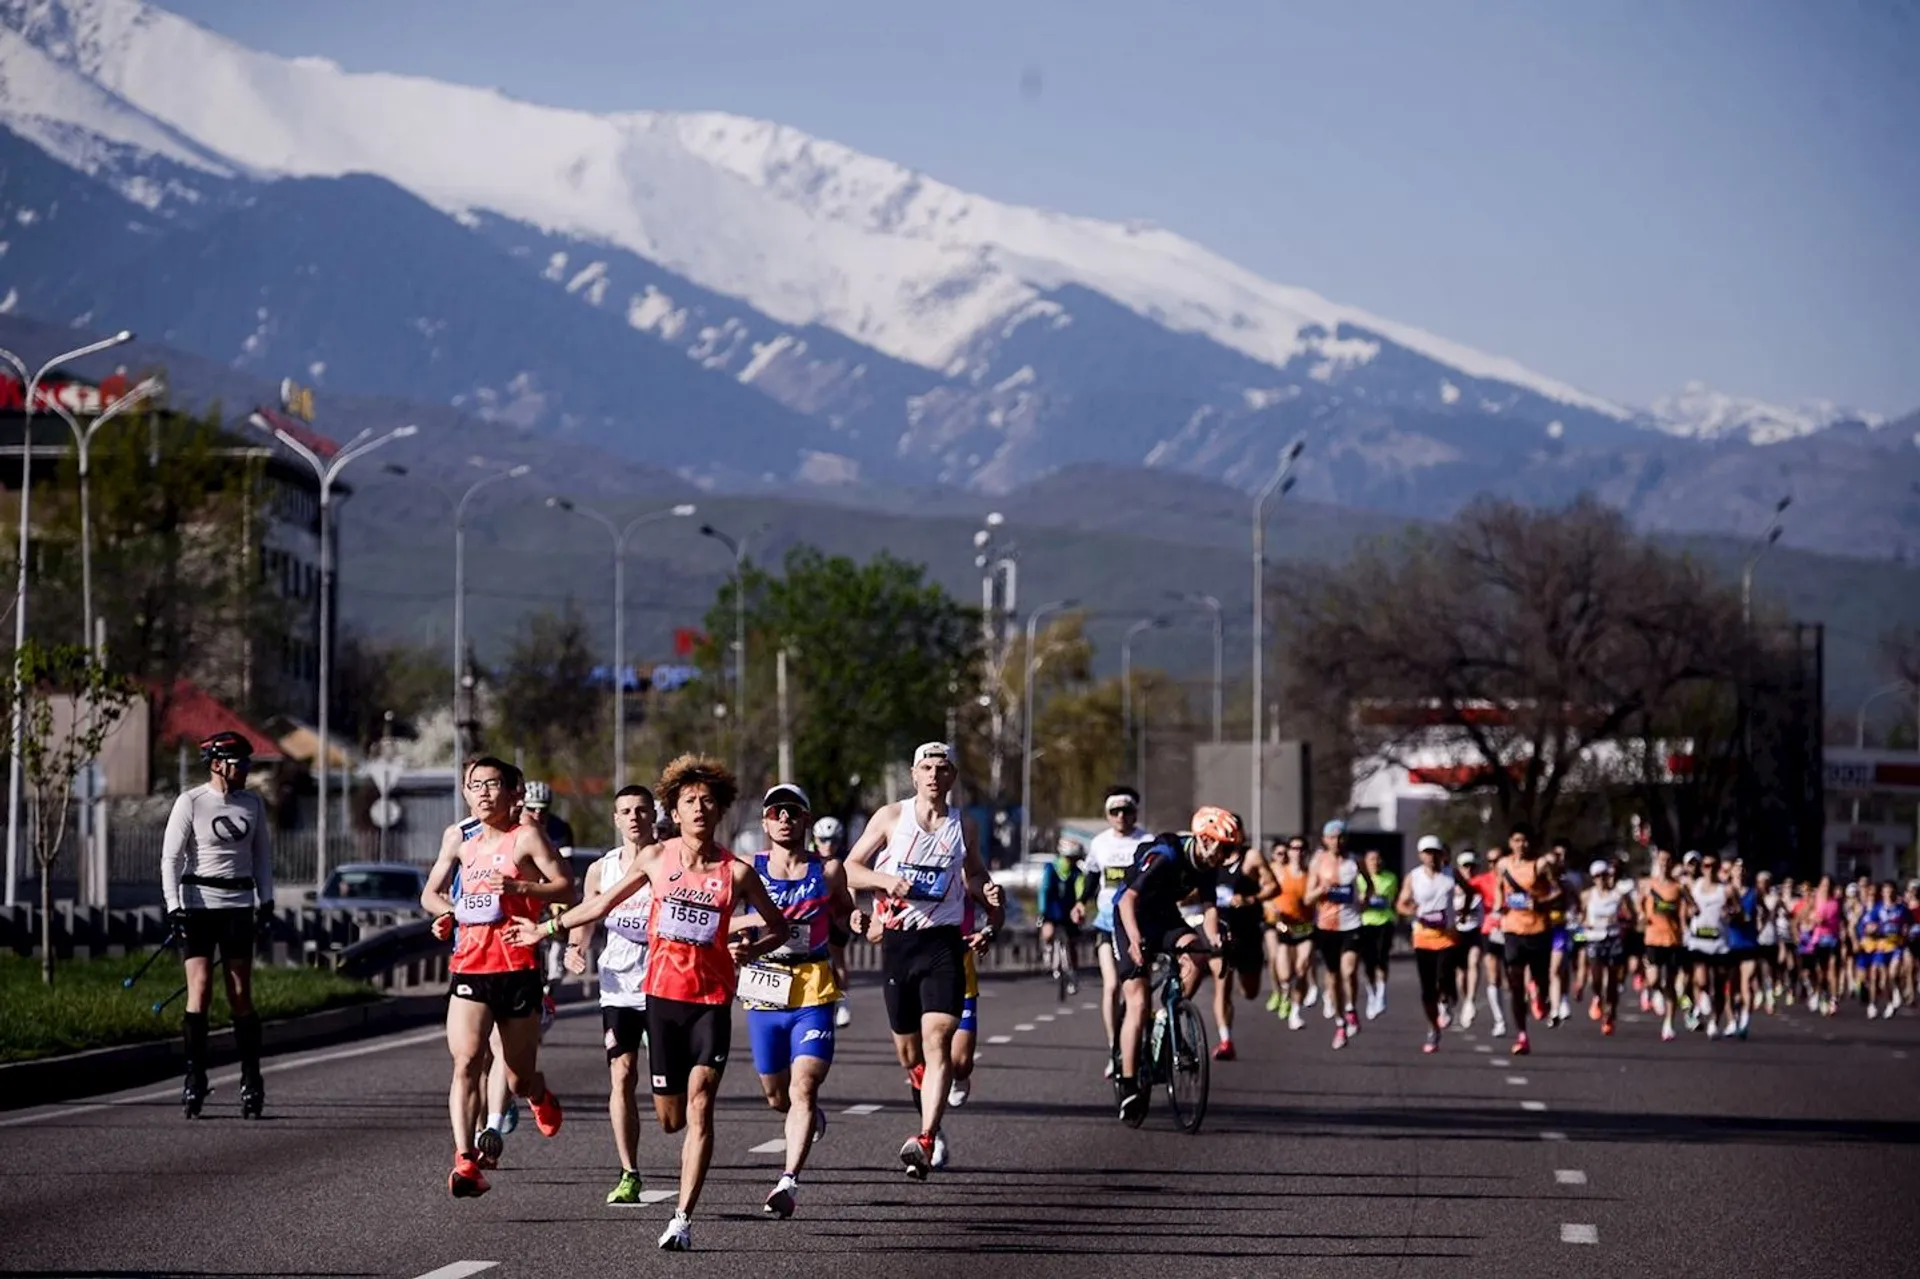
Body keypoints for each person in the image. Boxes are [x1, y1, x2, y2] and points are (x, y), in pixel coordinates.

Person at [513, 754, 791, 1250]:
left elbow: (780, 927)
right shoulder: (654, 859)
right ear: (675, 812)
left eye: (708, 801)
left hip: (711, 1001)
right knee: (671, 1118)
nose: (700, 809)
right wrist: (548, 928)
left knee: (703, 1104)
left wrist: (753, 948)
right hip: (660, 998)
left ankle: (682, 1219)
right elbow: (600, 904)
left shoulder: (738, 872)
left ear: (720, 810)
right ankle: (669, 1137)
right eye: (689, 801)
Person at [844, 742, 1004, 1179]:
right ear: (914, 775)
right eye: (926, 768)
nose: (934, 775)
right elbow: (849, 868)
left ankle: (927, 1136)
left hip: (942, 944)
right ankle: (925, 1105)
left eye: (942, 768)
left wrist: (986, 891)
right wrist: (884, 880)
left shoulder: (963, 825)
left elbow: (972, 873)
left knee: (938, 1044)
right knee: (909, 1052)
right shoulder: (891, 818)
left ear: (951, 777)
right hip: (899, 945)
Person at [421, 757, 573, 1198]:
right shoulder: (458, 837)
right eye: (475, 785)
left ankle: (538, 1092)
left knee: (516, 1078)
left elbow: (566, 887)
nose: (484, 792)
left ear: (512, 793)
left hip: (517, 967)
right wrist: (447, 914)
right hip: (469, 965)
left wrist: (522, 889)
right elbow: (430, 893)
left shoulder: (525, 836)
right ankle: (466, 1160)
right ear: (465, 793)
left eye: (493, 785)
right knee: (466, 1061)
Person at [738, 783, 853, 1219]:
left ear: (806, 820)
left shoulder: (827, 871)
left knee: (804, 1086)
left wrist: (856, 917)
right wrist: (751, 933)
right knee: (776, 1095)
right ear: (765, 823)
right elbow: (728, 917)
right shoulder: (749, 867)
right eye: (775, 812)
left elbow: (842, 909)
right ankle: (805, 1118)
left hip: (812, 983)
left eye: (792, 812)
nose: (784, 818)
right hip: (765, 982)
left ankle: (788, 1181)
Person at [162, 731, 275, 1120]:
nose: (244, 769)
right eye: (237, 762)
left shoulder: (253, 805)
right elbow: (171, 859)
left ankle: (251, 1078)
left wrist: (268, 900)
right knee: (200, 990)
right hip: (198, 907)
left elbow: (261, 856)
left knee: (240, 992)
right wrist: (174, 906)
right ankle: (194, 1077)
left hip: (238, 906)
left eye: (247, 763)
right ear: (216, 764)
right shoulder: (191, 802)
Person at [1111, 807, 1238, 1124]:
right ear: (1205, 840)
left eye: (1230, 849)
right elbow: (1127, 899)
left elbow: (1209, 909)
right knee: (1138, 1003)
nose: (1226, 855)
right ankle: (1128, 1083)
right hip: (1131, 918)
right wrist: (1134, 940)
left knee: (1197, 958)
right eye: (1223, 847)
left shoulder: (1208, 866)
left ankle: (1170, 1011)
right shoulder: (1165, 854)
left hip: (1164, 917)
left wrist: (1215, 940)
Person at [564, 784, 657, 1205]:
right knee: (621, 1075)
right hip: (618, 986)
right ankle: (629, 1172)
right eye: (626, 811)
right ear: (615, 819)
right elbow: (589, 914)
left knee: (672, 1090)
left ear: (653, 815)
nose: (634, 817)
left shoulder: (669, 861)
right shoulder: (602, 870)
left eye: (641, 810)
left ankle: (691, 1142)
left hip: (664, 984)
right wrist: (575, 947)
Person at [1086, 788, 1150, 1071]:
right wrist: (1079, 903)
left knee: (1135, 992)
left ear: (1135, 813)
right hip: (1106, 922)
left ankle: (1136, 1040)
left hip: (1137, 924)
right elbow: (1090, 878)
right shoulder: (1099, 843)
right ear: (1107, 815)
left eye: (1127, 811)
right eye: (1115, 812)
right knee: (1111, 986)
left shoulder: (1147, 841)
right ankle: (1115, 1048)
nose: (1121, 817)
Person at [1209, 826, 1276, 1060]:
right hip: (1220, 931)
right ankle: (1226, 1040)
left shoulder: (1252, 857)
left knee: (1250, 991)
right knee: (1221, 986)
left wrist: (1251, 899)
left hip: (1247, 932)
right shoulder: (1210, 858)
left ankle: (1243, 978)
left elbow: (1273, 886)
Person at [1497, 824, 1561, 1056]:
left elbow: (1557, 891)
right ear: (1510, 843)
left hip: (1538, 929)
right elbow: (1499, 889)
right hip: (1513, 929)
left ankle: (1539, 992)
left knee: (1541, 977)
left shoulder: (1541, 864)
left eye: (1524, 840)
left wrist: (1541, 903)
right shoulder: (1503, 865)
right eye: (1516, 840)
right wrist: (1498, 907)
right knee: (1514, 984)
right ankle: (1521, 1035)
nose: (1520, 845)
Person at [1305, 819, 1366, 1049]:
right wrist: (1321, 891)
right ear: (1324, 839)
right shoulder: (1318, 862)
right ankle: (1340, 1023)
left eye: (1340, 837)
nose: (1336, 842)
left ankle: (1351, 1009)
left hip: (1351, 924)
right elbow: (1307, 898)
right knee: (1333, 978)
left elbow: (1367, 885)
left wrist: (1365, 898)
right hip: (1326, 926)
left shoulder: (1354, 861)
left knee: (1349, 970)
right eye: (1332, 837)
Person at [1397, 836, 1460, 1053]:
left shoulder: (1452, 875)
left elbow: (1470, 891)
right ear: (1420, 855)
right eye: (1427, 852)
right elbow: (1401, 905)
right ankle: (1433, 1028)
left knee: (1443, 976)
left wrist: (1464, 910)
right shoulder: (1413, 877)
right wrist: (1415, 912)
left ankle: (1447, 1002)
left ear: (1442, 854)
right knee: (1427, 991)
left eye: (1435, 852)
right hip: (1423, 938)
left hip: (1447, 936)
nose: (1431, 856)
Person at [1263, 835, 1315, 1030]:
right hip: (1285, 928)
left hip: (1306, 928)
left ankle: (1296, 1011)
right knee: (1285, 974)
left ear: (1306, 852)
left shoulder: (1311, 875)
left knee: (1302, 968)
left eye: (1301, 849)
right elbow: (1268, 895)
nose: (1297, 852)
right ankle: (1284, 992)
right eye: (1294, 848)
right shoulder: (1279, 872)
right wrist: (1273, 911)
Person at [811, 815, 856, 1028]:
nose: (827, 845)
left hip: (836, 914)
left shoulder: (845, 860)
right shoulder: (808, 858)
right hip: (813, 916)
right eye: (822, 840)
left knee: (838, 957)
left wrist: (850, 917)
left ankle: (843, 1001)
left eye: (833, 840)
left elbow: (851, 889)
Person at [1580, 859, 1631, 1035]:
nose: (1601, 879)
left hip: (1613, 938)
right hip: (1595, 938)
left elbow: (1630, 915)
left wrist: (1619, 920)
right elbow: (1580, 916)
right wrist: (1585, 923)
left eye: (1604, 875)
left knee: (1612, 980)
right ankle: (1596, 996)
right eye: (1597, 876)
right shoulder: (1588, 895)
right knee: (1596, 977)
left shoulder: (1618, 895)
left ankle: (1609, 1016)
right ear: (1593, 878)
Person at [1038, 835, 1093, 996]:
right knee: (1048, 933)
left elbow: (1080, 891)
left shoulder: (1077, 873)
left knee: (1072, 943)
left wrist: (1080, 908)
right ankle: (1048, 951)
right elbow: (1044, 890)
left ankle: (1073, 973)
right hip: (1052, 909)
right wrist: (1042, 912)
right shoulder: (1051, 869)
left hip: (1069, 911)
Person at [1357, 847, 1399, 1020]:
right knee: (1368, 963)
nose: (1375, 862)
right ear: (1365, 863)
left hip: (1385, 922)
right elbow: (1358, 903)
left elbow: (1391, 899)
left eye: (1378, 859)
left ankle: (1381, 994)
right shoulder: (1359, 879)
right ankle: (1371, 994)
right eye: (1372, 859)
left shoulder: (1391, 878)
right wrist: (1364, 900)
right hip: (1365, 923)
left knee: (1382, 958)